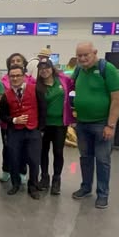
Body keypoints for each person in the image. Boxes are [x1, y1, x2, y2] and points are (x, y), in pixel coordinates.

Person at [71, 41, 119, 209]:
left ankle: (102, 194)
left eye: (86, 54)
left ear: (95, 52)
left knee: (102, 160)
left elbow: (116, 100)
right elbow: (68, 87)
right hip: (82, 124)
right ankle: (86, 187)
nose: (83, 58)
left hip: (102, 124)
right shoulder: (78, 70)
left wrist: (111, 125)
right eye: (79, 55)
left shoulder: (107, 69)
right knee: (85, 158)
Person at [0, 65, 46, 200]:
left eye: (18, 75)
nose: (15, 78)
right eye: (12, 76)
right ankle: (15, 184)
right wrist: (14, 120)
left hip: (33, 131)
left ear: (24, 76)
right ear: (9, 77)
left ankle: (33, 186)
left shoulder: (36, 89)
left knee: (33, 160)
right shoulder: (5, 96)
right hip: (15, 132)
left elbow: (43, 110)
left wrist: (40, 129)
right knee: (14, 159)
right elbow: (2, 116)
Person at [36, 57, 75, 195]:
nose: (44, 71)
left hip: (60, 124)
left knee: (58, 152)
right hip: (44, 125)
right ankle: (45, 177)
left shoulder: (63, 80)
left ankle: (56, 179)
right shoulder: (37, 86)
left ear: (52, 68)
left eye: (46, 67)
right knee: (43, 152)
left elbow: (76, 83)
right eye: (41, 69)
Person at [0, 53, 35, 184]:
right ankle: (6, 170)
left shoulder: (31, 81)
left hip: (27, 123)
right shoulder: (3, 81)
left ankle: (22, 171)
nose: (16, 62)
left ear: (24, 64)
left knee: (25, 149)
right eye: (13, 61)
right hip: (8, 123)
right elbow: (2, 101)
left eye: (18, 60)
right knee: (8, 148)